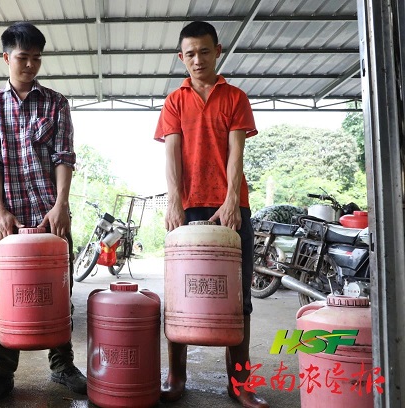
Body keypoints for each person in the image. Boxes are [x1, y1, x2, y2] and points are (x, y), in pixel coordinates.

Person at [153, 21, 270, 408]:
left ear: (217, 51)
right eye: (190, 54)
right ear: (181, 57)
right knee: (181, 294)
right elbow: (172, 153)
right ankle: (176, 377)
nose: (197, 60)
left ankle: (240, 384)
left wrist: (232, 200)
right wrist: (174, 201)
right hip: (188, 209)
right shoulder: (175, 101)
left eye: (204, 51)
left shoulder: (235, 97)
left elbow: (237, 153)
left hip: (232, 208)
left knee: (238, 297)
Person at [0, 21, 86, 407]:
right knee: (3, 296)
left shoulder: (56, 103)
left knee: (59, 291)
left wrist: (61, 205)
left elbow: (64, 156)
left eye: (37, 58)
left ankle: (62, 365)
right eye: (23, 57)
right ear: (6, 58)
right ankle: (0, 374)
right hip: (9, 220)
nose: (31, 65)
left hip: (50, 215)